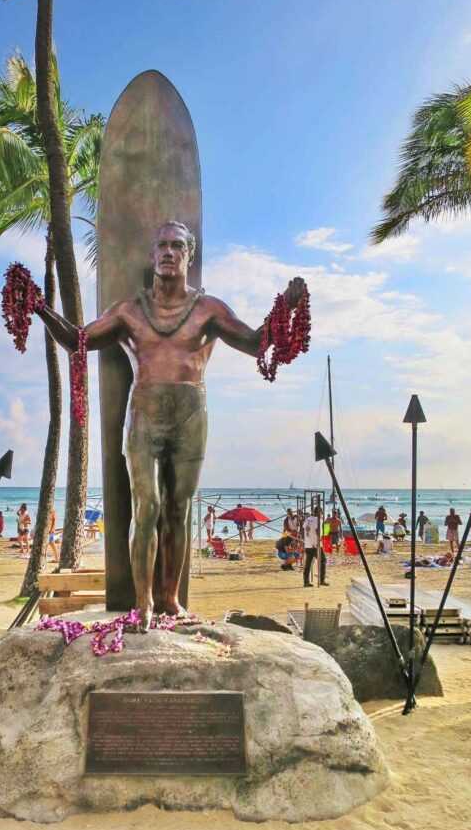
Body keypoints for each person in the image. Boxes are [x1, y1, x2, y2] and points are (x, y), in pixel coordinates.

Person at [37, 219, 309, 629]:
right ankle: (143, 603)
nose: (168, 252)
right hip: (144, 410)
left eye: (176, 246)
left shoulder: (208, 309)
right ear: (152, 256)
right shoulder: (130, 310)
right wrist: (40, 307)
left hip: (190, 412)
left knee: (178, 511)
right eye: (162, 245)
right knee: (147, 507)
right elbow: (80, 340)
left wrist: (284, 309)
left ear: (188, 255)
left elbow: (255, 344)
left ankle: (169, 600)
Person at [303, 506, 327, 587]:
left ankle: (306, 582)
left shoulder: (308, 519)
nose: (322, 514)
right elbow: (317, 531)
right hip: (315, 545)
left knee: (308, 564)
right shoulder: (318, 520)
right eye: (321, 512)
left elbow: (305, 529)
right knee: (323, 560)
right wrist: (318, 540)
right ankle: (322, 580)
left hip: (308, 544)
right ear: (319, 512)